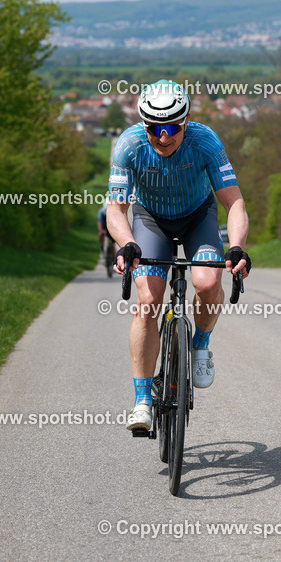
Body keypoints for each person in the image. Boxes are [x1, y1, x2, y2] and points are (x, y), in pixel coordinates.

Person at [106, 80, 252, 432]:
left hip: (197, 217)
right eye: (155, 128)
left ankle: (200, 343)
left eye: (172, 128)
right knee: (149, 299)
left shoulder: (205, 142)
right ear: (144, 125)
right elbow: (116, 207)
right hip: (150, 220)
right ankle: (142, 399)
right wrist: (127, 243)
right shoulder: (128, 145)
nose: (164, 137)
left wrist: (236, 246)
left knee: (206, 282)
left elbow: (234, 201)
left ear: (186, 122)